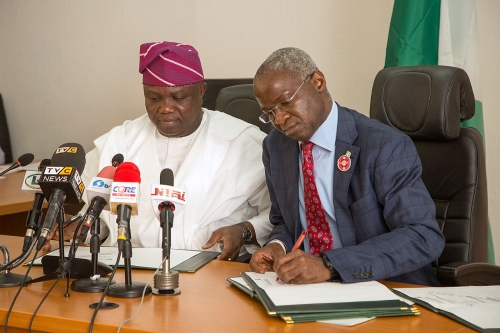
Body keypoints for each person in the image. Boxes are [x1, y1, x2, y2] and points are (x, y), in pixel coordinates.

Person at [45, 41, 272, 260]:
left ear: (202, 91)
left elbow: (278, 216)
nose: (164, 108)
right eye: (153, 98)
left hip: (210, 269)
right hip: (125, 267)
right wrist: (82, 226)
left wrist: (244, 230)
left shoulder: (243, 141)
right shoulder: (120, 141)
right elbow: (101, 215)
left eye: (178, 97)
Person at [249, 47, 445, 286]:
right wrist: (277, 246)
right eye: (269, 113)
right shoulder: (276, 147)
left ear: (318, 82)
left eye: (286, 103)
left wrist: (329, 264)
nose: (279, 120)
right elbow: (284, 221)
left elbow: (422, 235)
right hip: (307, 290)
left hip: (386, 287)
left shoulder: (384, 145)